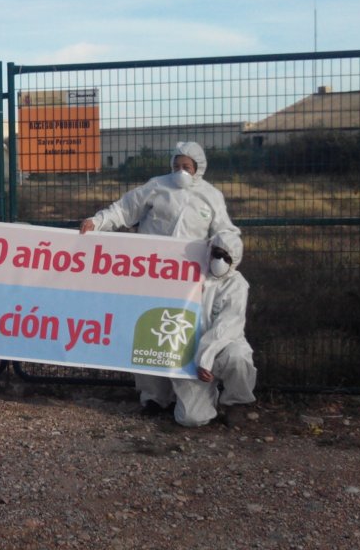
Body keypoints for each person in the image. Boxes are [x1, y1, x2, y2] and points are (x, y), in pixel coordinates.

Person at [79, 141, 239, 414]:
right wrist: (98, 221)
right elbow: (124, 209)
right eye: (176, 166)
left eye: (187, 167)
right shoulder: (157, 186)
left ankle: (183, 394)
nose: (181, 172)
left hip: (189, 282)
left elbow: (226, 233)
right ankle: (152, 398)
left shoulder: (211, 197)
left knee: (182, 334)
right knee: (148, 332)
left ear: (199, 168)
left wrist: (225, 256)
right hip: (151, 276)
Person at [171, 230, 257, 427]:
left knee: (238, 357)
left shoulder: (237, 285)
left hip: (222, 347)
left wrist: (205, 359)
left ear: (235, 260)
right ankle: (200, 397)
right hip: (190, 349)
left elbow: (226, 326)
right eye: (217, 254)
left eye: (226, 257)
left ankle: (237, 403)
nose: (220, 260)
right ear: (209, 251)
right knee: (190, 419)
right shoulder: (190, 273)